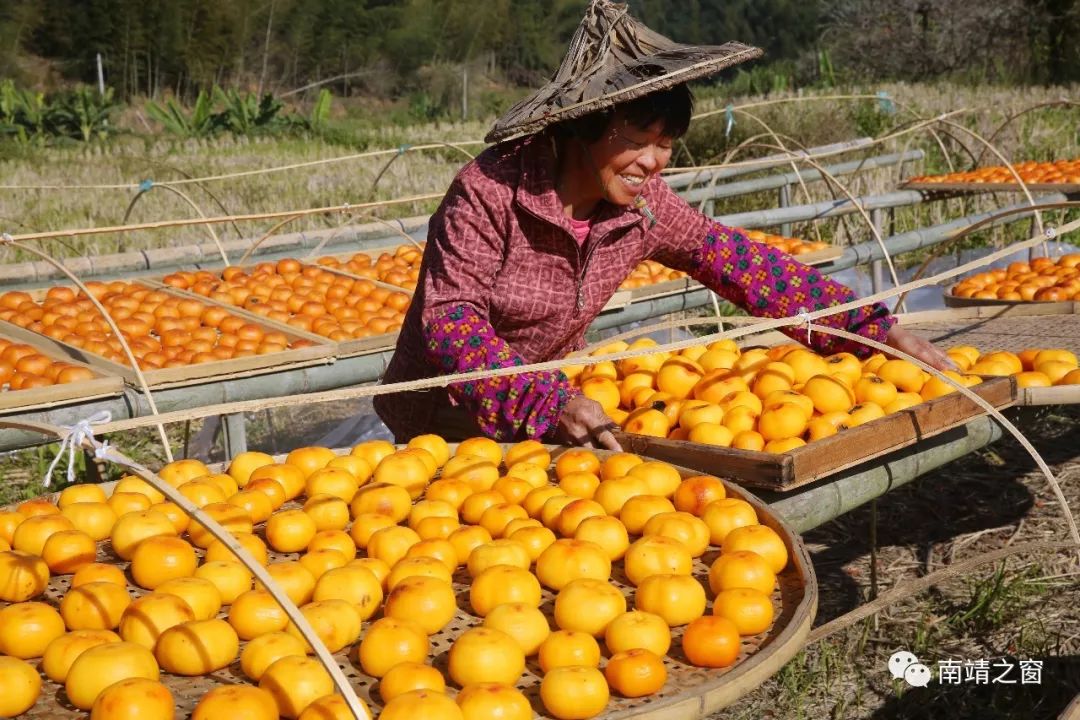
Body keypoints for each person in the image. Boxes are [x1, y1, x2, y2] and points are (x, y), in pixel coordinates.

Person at [373, 0, 954, 450]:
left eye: (666, 144)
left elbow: (738, 264)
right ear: (581, 126)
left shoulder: (642, 205)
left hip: (556, 409)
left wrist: (864, 329)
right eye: (637, 140)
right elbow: (452, 323)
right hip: (445, 417)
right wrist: (544, 403)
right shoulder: (491, 192)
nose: (652, 162)